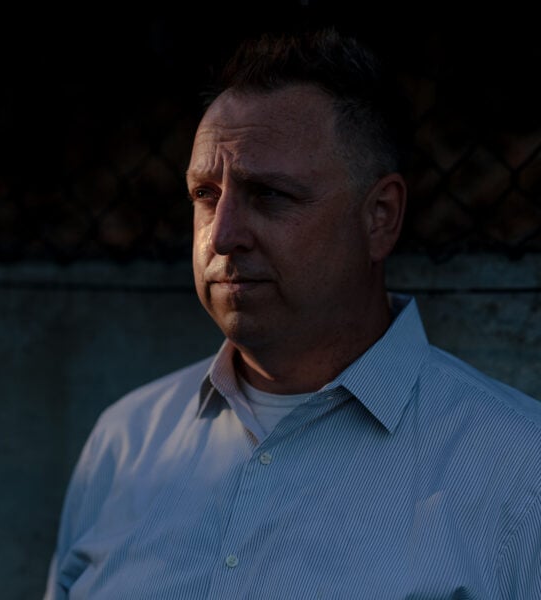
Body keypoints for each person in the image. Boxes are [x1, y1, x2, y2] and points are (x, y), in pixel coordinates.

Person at [43, 26, 541, 599]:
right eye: (206, 194)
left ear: (379, 216)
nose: (223, 235)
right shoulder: (125, 442)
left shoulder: (518, 470)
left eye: (270, 195)